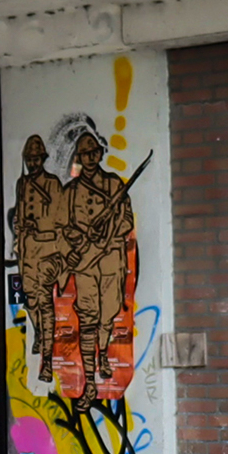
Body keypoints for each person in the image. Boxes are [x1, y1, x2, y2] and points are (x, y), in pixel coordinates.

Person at [63, 131, 133, 384]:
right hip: (85, 261)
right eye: (85, 154)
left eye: (94, 152)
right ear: (79, 157)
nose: (91, 158)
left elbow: (126, 220)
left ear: (101, 154)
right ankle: (89, 372)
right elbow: (65, 225)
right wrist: (83, 236)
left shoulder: (115, 185)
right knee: (88, 314)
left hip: (112, 256)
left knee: (108, 313)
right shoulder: (71, 192)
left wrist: (107, 231)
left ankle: (103, 353)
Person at [9, 134, 66, 384]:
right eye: (29, 160)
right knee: (29, 300)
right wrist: (17, 240)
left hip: (47, 251)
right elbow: (19, 215)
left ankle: (47, 361)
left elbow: (62, 219)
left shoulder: (53, 184)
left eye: (36, 159)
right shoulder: (22, 185)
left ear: (43, 159)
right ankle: (41, 333)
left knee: (44, 302)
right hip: (27, 252)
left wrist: (40, 228)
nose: (33, 164)